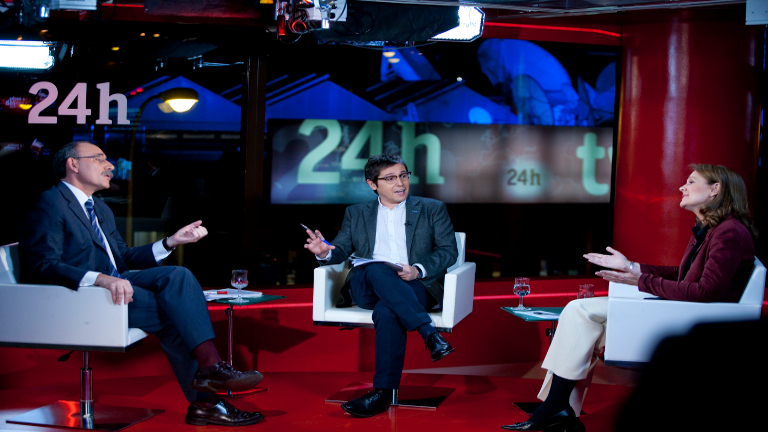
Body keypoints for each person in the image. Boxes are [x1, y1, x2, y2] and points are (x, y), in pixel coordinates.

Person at [19, 141, 265, 427]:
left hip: (116, 285)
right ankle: (207, 396)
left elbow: (122, 257)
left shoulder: (99, 208)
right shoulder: (50, 203)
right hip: (82, 297)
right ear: (72, 164)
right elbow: (42, 264)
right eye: (99, 159)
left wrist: (171, 242)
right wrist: (100, 278)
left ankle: (210, 374)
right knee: (174, 315)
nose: (110, 165)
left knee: (178, 275)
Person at [502, 164, 757, 431]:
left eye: (692, 181)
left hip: (691, 319)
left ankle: (556, 406)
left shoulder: (729, 232)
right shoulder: (712, 228)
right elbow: (680, 274)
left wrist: (640, 281)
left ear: (715, 189)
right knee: (579, 314)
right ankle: (559, 408)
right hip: (682, 308)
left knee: (580, 315)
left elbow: (705, 292)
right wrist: (631, 267)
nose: (683, 187)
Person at [304, 154, 459, 418]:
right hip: (368, 286)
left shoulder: (432, 208)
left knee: (388, 312)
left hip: (414, 285)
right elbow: (341, 249)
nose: (400, 183)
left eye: (403, 175)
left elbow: (448, 251)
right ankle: (429, 334)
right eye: (390, 178)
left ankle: (382, 394)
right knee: (376, 267)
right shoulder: (356, 213)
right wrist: (324, 253)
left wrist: (417, 269)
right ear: (372, 184)